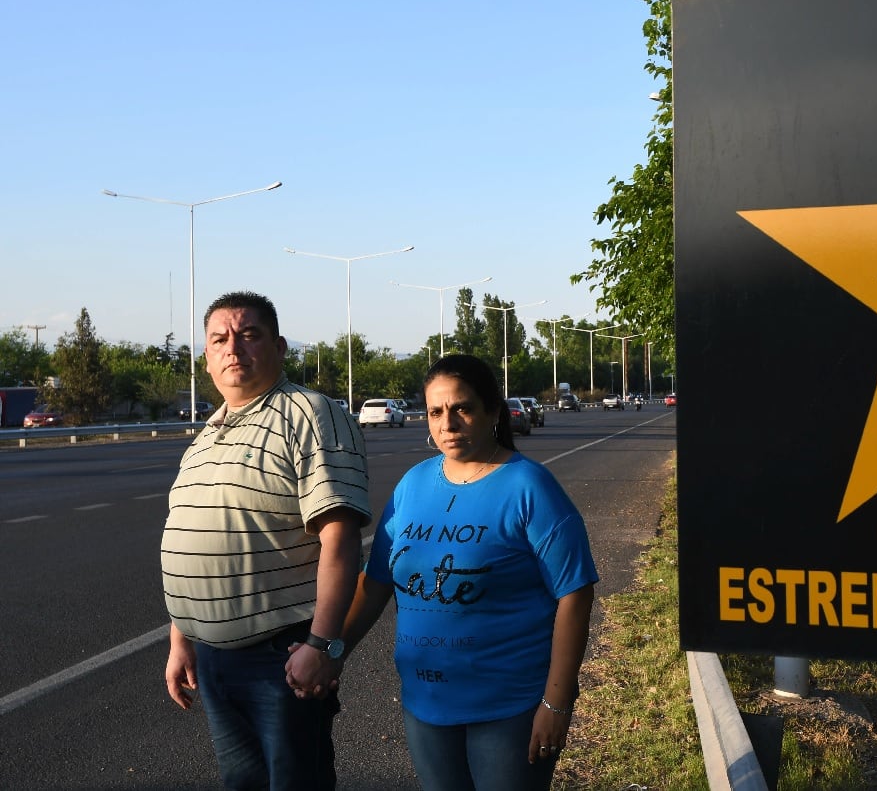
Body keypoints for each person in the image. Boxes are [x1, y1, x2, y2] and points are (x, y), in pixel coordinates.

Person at [337, 354, 598, 791]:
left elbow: (574, 593)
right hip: (425, 706)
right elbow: (378, 580)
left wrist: (557, 703)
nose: (448, 423)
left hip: (508, 708)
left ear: (492, 411)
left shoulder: (529, 487)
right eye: (436, 412)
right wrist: (332, 651)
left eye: (462, 408)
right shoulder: (412, 486)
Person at [160, 291, 371, 790]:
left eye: (248, 335)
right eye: (220, 338)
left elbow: (339, 539)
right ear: (207, 357)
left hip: (282, 652)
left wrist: (323, 645)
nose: (234, 347)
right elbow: (195, 538)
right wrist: (180, 639)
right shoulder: (207, 433)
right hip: (213, 657)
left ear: (278, 347)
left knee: (296, 782)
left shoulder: (310, 414)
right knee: (243, 783)